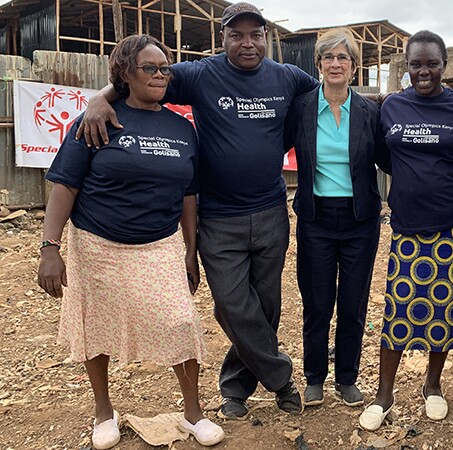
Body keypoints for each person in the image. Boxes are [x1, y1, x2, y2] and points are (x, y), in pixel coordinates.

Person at [77, 2, 320, 419]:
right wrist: (98, 99)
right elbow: (139, 79)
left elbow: (325, 98)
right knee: (230, 304)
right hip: (218, 215)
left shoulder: (288, 77)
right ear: (221, 38)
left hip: (269, 210)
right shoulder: (201, 74)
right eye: (236, 34)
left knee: (265, 304)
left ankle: (235, 388)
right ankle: (280, 377)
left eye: (255, 34)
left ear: (266, 37)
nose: (247, 42)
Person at [37, 35, 224, 449]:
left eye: (165, 68)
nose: (161, 75)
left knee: (180, 321)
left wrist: (190, 252)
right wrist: (49, 247)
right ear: (124, 72)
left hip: (159, 244)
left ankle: (193, 412)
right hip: (96, 244)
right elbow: (65, 186)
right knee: (96, 327)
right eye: (150, 68)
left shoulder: (181, 127)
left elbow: (189, 196)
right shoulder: (97, 120)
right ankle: (104, 412)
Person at [358, 30, 453, 431]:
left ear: (443, 65)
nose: (423, 71)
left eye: (431, 63)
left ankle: (432, 385)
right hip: (408, 228)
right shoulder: (392, 106)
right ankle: (384, 393)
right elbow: (384, 156)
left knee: (443, 312)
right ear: (407, 66)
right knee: (397, 314)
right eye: (415, 64)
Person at [285, 28, 390, 408]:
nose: (334, 64)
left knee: (353, 303)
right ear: (318, 64)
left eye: (342, 58)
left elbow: (388, 159)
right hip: (315, 218)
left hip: (360, 220)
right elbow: (271, 146)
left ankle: (347, 377)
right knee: (316, 302)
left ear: (354, 66)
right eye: (328, 58)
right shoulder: (300, 109)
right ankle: (314, 377)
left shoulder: (369, 111)